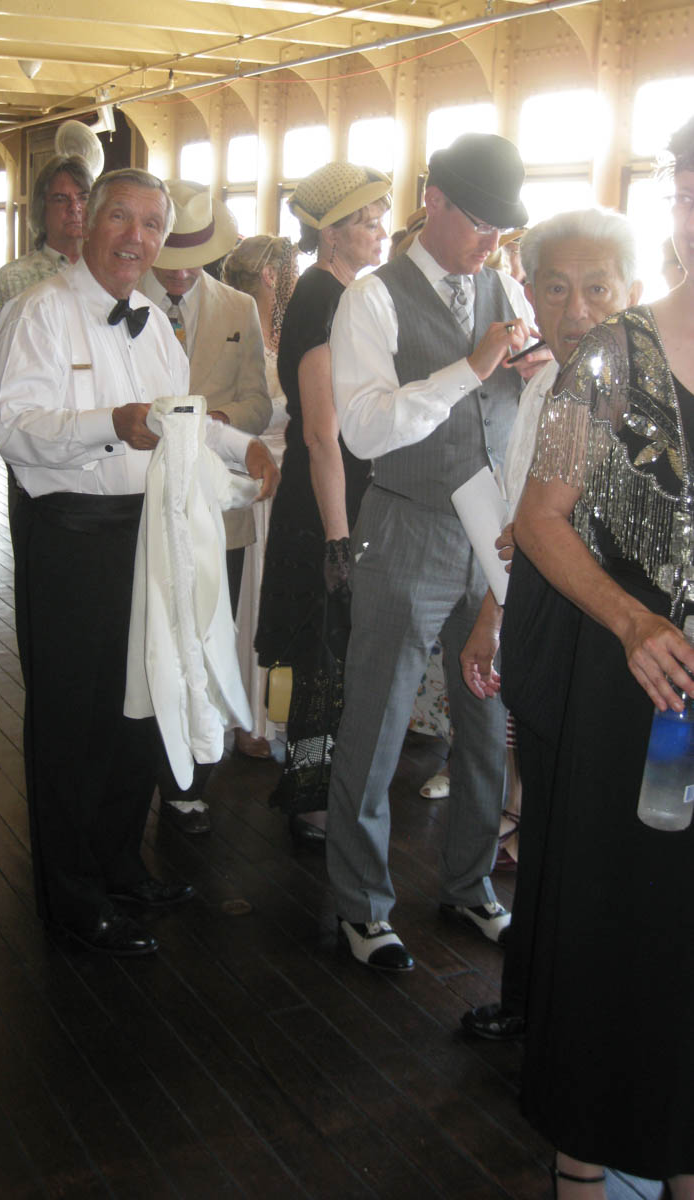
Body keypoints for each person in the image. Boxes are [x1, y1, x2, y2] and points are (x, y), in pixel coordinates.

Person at [0, 169, 279, 957]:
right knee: (71, 719)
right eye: (122, 217)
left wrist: (244, 444)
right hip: (69, 533)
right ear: (87, 221)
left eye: (151, 225)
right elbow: (19, 432)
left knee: (137, 704)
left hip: (147, 529)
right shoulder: (37, 313)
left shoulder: (154, 321)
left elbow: (178, 422)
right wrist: (111, 424)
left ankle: (120, 863)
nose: (136, 238)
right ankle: (70, 893)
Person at [504, 119, 694, 1196]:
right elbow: (541, 519)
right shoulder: (620, 359)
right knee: (620, 931)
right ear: (679, 208)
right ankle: (587, 1157)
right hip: (637, 694)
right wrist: (631, 622)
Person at [326, 134, 537, 971]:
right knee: (376, 720)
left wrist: (535, 368)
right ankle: (361, 904)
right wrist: (468, 367)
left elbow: (514, 410)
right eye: (479, 223)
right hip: (407, 518)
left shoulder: (504, 286)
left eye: (501, 231)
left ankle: (471, 883)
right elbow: (366, 427)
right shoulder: (371, 301)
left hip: (492, 531)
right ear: (435, 201)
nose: (490, 245)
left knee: (486, 716)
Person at [456, 207, 643, 1042]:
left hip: (605, 644)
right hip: (536, 626)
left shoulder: (650, 400)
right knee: (541, 819)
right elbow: (524, 525)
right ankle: (529, 999)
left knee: (587, 833)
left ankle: (577, 1020)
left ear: (631, 291)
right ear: (527, 293)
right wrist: (492, 618)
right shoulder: (538, 387)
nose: (579, 313)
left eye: (598, 289)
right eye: (558, 290)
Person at [255, 162, 392, 849]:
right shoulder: (321, 298)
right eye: (367, 220)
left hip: (347, 494)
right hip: (325, 501)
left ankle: (325, 782)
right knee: (321, 648)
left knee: (336, 649)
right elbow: (319, 428)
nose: (380, 229)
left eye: (381, 215)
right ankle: (310, 798)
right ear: (331, 234)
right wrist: (339, 538)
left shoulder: (347, 293)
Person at [140, 181, 272, 832]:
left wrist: (220, 420)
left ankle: (196, 775)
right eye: (171, 253)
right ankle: (146, 767)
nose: (181, 270)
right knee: (150, 636)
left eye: (196, 254)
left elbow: (260, 404)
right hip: (140, 507)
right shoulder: (124, 302)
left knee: (209, 633)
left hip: (219, 509)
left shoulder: (239, 308)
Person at [222, 235, 300, 758]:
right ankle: (250, 717)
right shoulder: (246, 337)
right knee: (253, 596)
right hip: (257, 481)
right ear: (272, 277)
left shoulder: (287, 336)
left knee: (279, 597)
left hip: (291, 479)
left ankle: (274, 713)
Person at [0, 154, 95, 422]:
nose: (74, 207)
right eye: (61, 199)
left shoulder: (109, 277)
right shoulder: (11, 281)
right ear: (42, 208)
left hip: (102, 428)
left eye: (83, 197)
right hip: (39, 426)